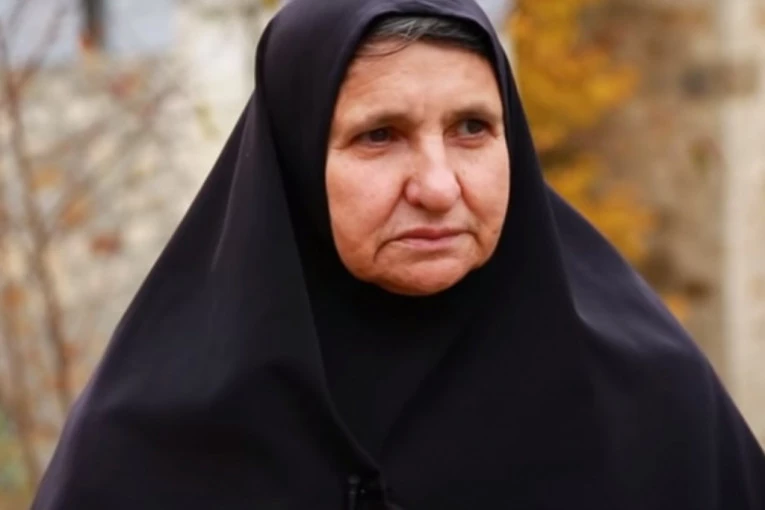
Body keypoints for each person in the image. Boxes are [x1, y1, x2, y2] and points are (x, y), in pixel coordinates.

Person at [33, 0, 765, 509]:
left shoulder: (648, 405)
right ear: (293, 163)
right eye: (379, 135)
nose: (438, 187)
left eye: (472, 128)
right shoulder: (153, 443)